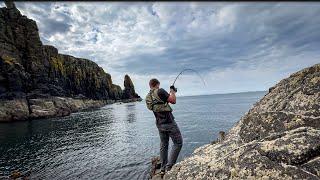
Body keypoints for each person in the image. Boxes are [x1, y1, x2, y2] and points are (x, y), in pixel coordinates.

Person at [145, 78, 183, 175]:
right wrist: (172, 92)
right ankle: (169, 167)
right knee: (178, 143)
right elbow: (173, 101)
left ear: (150, 85)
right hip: (169, 122)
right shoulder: (160, 91)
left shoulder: (148, 96)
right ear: (157, 84)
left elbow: (158, 104)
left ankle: (162, 168)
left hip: (159, 124)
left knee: (164, 144)